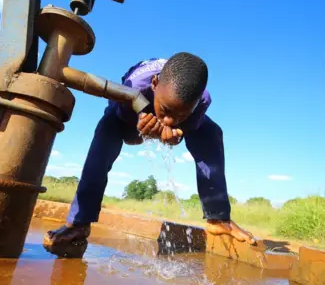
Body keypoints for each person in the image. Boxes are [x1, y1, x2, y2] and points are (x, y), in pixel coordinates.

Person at [43, 52, 256, 256]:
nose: (170, 121)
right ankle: (79, 223)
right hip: (125, 113)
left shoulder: (202, 101)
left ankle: (218, 218)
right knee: (104, 138)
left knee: (211, 132)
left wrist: (175, 134)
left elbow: (182, 129)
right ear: (155, 84)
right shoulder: (134, 86)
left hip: (156, 111)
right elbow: (129, 137)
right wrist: (141, 123)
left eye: (182, 114)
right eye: (166, 111)